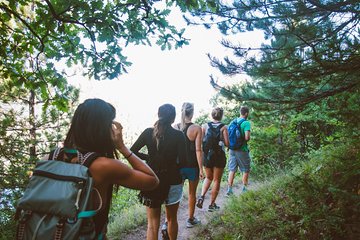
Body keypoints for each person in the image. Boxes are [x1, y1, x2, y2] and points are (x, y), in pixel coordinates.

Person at [45, 98, 159, 238]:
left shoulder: (50, 158)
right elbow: (152, 181)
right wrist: (122, 147)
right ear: (103, 129)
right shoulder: (104, 166)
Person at [130, 103, 187, 240]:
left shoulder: (148, 132)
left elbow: (132, 151)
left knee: (152, 225)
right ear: (173, 118)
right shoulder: (179, 135)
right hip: (173, 181)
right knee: (172, 219)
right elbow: (184, 162)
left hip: (152, 180)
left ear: (158, 114)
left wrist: (149, 158)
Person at [174, 102, 203, 228]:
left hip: (178, 166)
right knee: (192, 193)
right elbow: (198, 150)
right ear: (192, 112)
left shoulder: (175, 127)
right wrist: (201, 169)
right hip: (192, 166)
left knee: (175, 194)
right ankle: (190, 220)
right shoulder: (196, 128)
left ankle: (167, 222)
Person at [196, 107, 229, 212]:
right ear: (221, 116)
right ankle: (212, 204)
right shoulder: (223, 127)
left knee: (208, 177)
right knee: (216, 180)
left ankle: (201, 196)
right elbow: (227, 143)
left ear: (212, 115)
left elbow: (201, 142)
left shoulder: (205, 126)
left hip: (207, 156)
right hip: (219, 156)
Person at [226, 106, 252, 195]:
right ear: (246, 113)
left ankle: (229, 190)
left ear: (240, 112)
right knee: (245, 169)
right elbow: (247, 137)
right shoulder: (246, 123)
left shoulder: (232, 122)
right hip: (242, 149)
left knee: (232, 169)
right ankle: (244, 189)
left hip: (232, 149)